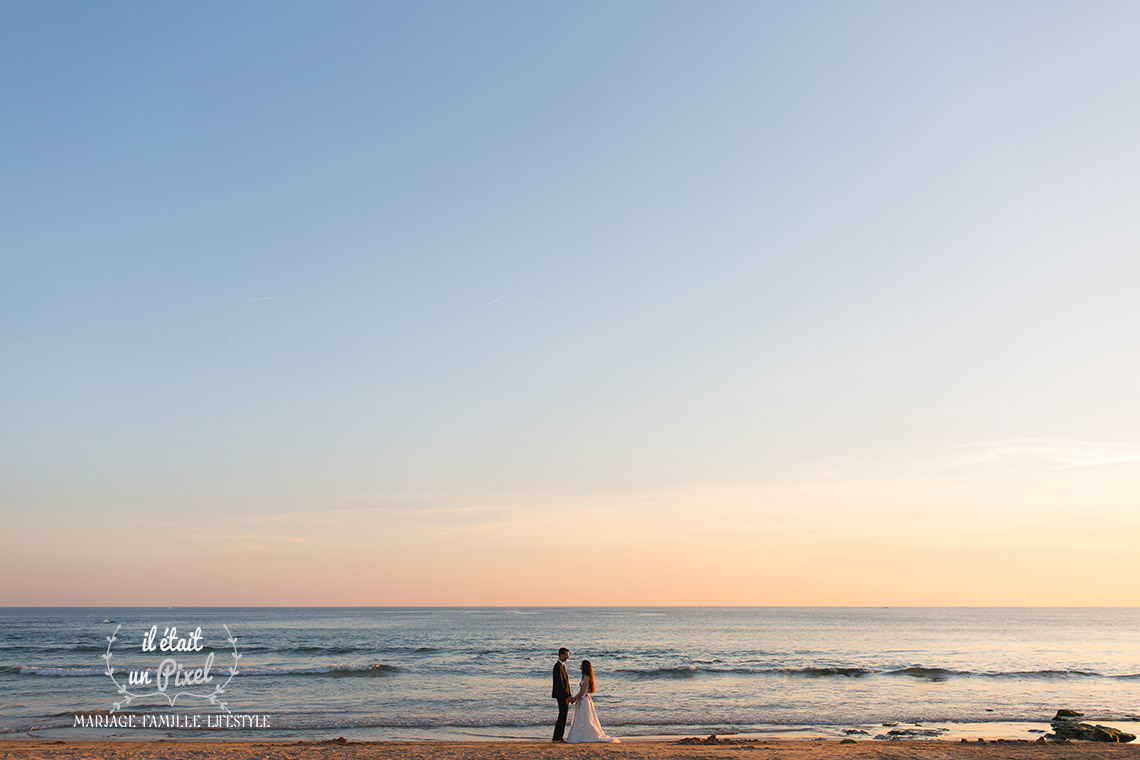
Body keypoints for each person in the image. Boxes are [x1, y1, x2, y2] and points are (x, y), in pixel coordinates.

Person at [565, 659, 619, 743]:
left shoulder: (587, 677)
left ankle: (585, 734)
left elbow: (582, 690)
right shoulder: (584, 676)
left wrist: (575, 697)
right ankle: (580, 734)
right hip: (582, 698)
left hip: (584, 699)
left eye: (581, 665)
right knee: (581, 717)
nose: (580, 666)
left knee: (585, 718)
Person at [551, 647, 572, 742]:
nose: (567, 657)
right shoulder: (557, 667)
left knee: (563, 714)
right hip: (561, 695)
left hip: (564, 694)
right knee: (562, 714)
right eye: (566, 655)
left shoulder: (562, 666)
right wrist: (567, 695)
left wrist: (569, 694)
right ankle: (557, 737)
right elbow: (560, 684)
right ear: (561, 654)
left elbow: (566, 683)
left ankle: (559, 736)